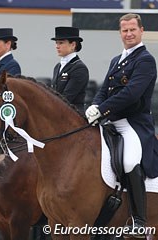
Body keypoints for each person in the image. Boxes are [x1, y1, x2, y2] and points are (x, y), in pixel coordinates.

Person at [86, 13, 158, 237]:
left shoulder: (145, 60)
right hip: (111, 122)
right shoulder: (116, 60)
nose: (128, 34)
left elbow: (131, 93)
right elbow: (103, 89)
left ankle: (139, 220)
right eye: (124, 31)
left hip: (133, 124)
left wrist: (103, 108)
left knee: (129, 160)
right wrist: (94, 105)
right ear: (120, 33)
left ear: (141, 30)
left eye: (132, 30)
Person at [51, 26, 89, 113]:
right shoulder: (58, 66)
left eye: (61, 43)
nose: (57, 46)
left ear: (73, 45)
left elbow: (67, 97)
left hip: (73, 114)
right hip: (58, 111)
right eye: (56, 43)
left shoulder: (79, 68)